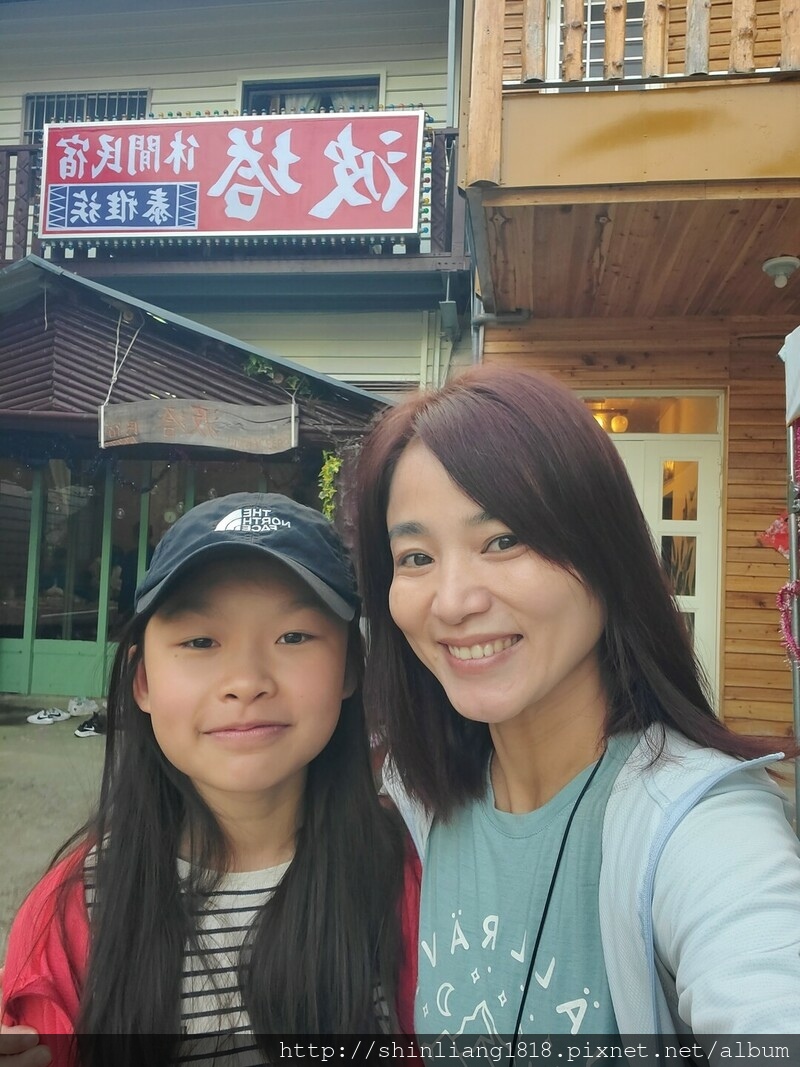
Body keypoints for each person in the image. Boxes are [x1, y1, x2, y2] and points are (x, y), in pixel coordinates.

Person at [351, 366, 800, 1040]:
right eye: (415, 557)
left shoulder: (695, 825)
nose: (452, 601)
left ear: (604, 556)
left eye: (503, 540)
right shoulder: (418, 801)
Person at [1, 493, 418, 1067]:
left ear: (350, 667)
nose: (246, 681)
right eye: (200, 642)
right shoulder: (72, 915)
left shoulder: (407, 879)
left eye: (293, 636)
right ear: (142, 682)